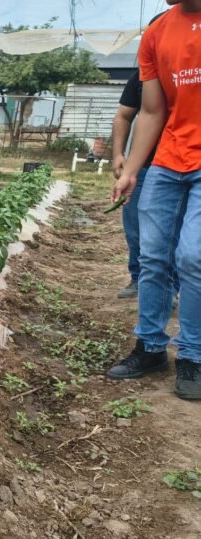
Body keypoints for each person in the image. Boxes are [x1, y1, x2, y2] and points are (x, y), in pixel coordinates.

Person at [108, 0, 201, 400]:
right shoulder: (159, 31)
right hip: (168, 160)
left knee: (193, 257)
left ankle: (193, 356)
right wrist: (130, 170)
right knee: (152, 256)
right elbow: (151, 111)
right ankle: (150, 347)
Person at [111, 12, 179, 300]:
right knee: (136, 225)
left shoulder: (187, 70)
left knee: (177, 231)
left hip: (180, 163)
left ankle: (174, 285)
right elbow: (124, 116)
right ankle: (139, 278)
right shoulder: (141, 76)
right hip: (147, 164)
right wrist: (118, 155)